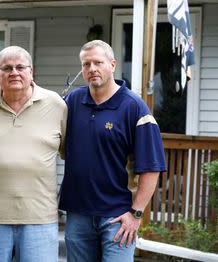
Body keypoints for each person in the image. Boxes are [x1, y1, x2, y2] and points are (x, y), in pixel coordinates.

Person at [59, 40, 167, 261]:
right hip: (78, 213)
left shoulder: (135, 108)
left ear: (113, 64)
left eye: (98, 62)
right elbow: (40, 109)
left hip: (118, 217)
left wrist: (136, 214)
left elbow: (152, 168)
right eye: (86, 64)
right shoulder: (72, 102)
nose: (91, 69)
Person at [0, 46, 67, 262]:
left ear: (31, 72)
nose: (14, 72)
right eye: (7, 68)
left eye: (20, 67)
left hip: (40, 218)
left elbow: (71, 154)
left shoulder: (56, 106)